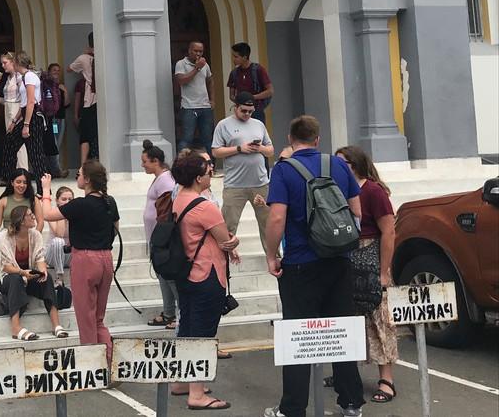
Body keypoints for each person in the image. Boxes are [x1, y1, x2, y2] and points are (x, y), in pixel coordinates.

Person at [263, 115, 364, 417]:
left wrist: (271, 255)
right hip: (337, 260)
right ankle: (351, 402)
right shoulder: (338, 165)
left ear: (291, 139)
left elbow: (277, 217)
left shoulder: (283, 170)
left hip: (299, 262)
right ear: (318, 139)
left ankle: (293, 408)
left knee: (298, 335)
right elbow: (356, 212)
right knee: (342, 330)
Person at [168, 153, 239, 410]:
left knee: (188, 328)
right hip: (207, 273)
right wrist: (234, 242)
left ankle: (181, 381)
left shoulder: (178, 199)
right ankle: (197, 393)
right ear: (198, 178)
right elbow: (226, 238)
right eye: (208, 172)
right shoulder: (204, 205)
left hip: (186, 273)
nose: (211, 174)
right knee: (204, 335)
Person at [336, 145, 398, 404]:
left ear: (356, 165)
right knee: (349, 318)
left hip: (371, 254)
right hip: (347, 256)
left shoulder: (373, 191)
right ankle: (347, 372)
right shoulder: (337, 190)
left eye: (344, 164)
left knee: (379, 319)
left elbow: (389, 231)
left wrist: (384, 272)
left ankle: (387, 378)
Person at [40, 161, 118, 363]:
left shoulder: (80, 205)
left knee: (85, 318)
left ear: (88, 179)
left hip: (85, 258)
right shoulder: (110, 201)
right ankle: (108, 361)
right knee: (98, 317)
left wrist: (46, 191)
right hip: (105, 257)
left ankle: (93, 365)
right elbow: (115, 228)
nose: (78, 177)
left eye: (80, 174)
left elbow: (48, 214)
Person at [0, 205, 68, 341]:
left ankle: (56, 325)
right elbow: (6, 267)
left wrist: (42, 271)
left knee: (47, 279)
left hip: (28, 276)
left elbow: (40, 258)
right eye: (30, 215)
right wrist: (22, 272)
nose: (34, 216)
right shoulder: (5, 237)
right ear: (21, 221)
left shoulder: (35, 235)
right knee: (16, 279)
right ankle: (16, 327)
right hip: (9, 279)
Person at [212, 92, 273, 249]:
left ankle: (273, 257)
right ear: (235, 108)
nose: (247, 114)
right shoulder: (223, 125)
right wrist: (239, 148)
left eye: (250, 111)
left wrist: (260, 148)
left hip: (260, 183)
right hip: (234, 184)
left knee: (267, 224)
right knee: (228, 225)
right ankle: (224, 257)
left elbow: (271, 151)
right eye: (243, 110)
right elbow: (216, 152)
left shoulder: (259, 124)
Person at [0, 51, 49, 185]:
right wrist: (15, 121)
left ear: (17, 63)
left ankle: (42, 187)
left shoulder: (29, 77)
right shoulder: (24, 77)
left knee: (35, 154)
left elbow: (31, 101)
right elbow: (24, 103)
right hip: (27, 115)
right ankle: (11, 178)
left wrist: (26, 124)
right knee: (11, 143)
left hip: (33, 118)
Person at [142, 140, 177, 328]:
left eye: (145, 161)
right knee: (163, 277)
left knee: (168, 277)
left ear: (155, 161)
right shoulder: (160, 178)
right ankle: (169, 312)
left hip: (162, 238)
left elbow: (167, 205)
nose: (143, 165)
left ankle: (177, 312)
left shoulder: (165, 179)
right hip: (156, 238)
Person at [174, 41, 214, 157]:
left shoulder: (205, 65)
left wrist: (212, 99)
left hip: (205, 106)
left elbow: (210, 80)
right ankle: (182, 164)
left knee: (207, 138)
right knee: (187, 138)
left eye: (200, 51)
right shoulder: (181, 64)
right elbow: (181, 80)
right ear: (189, 50)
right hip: (189, 107)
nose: (198, 54)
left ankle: (211, 165)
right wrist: (197, 68)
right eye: (195, 51)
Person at [67, 33, 98, 163]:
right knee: (97, 133)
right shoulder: (105, 55)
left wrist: (86, 52)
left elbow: (69, 69)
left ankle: (83, 165)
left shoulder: (84, 58)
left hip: (89, 100)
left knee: (85, 135)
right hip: (102, 100)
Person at [0, 52, 28, 171]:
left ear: (13, 62)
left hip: (16, 108)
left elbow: (23, 97)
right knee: (12, 141)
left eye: (5, 63)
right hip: (8, 108)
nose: (3, 66)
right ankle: (15, 172)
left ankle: (23, 171)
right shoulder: (8, 78)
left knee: (19, 142)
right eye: (2, 63)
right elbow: (5, 99)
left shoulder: (19, 77)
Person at [226, 42, 273, 124]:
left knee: (257, 134)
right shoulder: (234, 73)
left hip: (256, 110)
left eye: (236, 57)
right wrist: (240, 101)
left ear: (244, 57)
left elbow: (270, 91)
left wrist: (252, 98)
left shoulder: (258, 70)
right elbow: (231, 95)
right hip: (240, 111)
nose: (233, 59)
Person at [41, 63, 67, 177]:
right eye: (54, 70)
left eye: (58, 70)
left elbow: (67, 103)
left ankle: (55, 169)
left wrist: (64, 91)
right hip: (49, 118)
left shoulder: (59, 86)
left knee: (57, 144)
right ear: (49, 71)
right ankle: (54, 169)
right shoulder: (45, 86)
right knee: (52, 144)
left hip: (59, 117)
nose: (56, 72)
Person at [43, 186, 74, 284]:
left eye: (70, 199)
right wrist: (63, 213)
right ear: (57, 201)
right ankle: (60, 276)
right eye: (64, 199)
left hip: (69, 256)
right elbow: (59, 234)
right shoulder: (51, 214)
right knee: (58, 241)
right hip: (52, 256)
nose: (67, 202)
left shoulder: (76, 213)